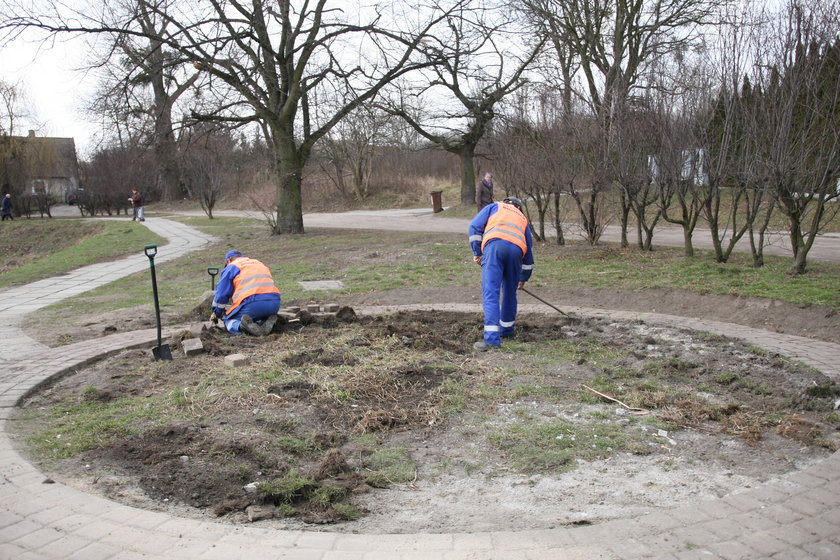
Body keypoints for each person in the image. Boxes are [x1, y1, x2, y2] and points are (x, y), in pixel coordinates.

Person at [468, 196, 534, 351]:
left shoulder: (494, 207)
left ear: (507, 203)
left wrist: (477, 252)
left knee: (491, 292)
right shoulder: (523, 220)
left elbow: (474, 227)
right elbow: (529, 255)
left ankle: (491, 340)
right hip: (516, 251)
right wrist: (523, 278)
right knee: (510, 293)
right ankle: (507, 331)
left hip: (495, 246)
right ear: (519, 208)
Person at [211, 250, 281, 336]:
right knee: (256, 316)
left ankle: (241, 327)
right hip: (274, 303)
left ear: (228, 261)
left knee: (229, 320)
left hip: (253, 303)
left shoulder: (231, 267)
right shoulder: (258, 263)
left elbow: (221, 295)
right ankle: (264, 323)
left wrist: (217, 313)